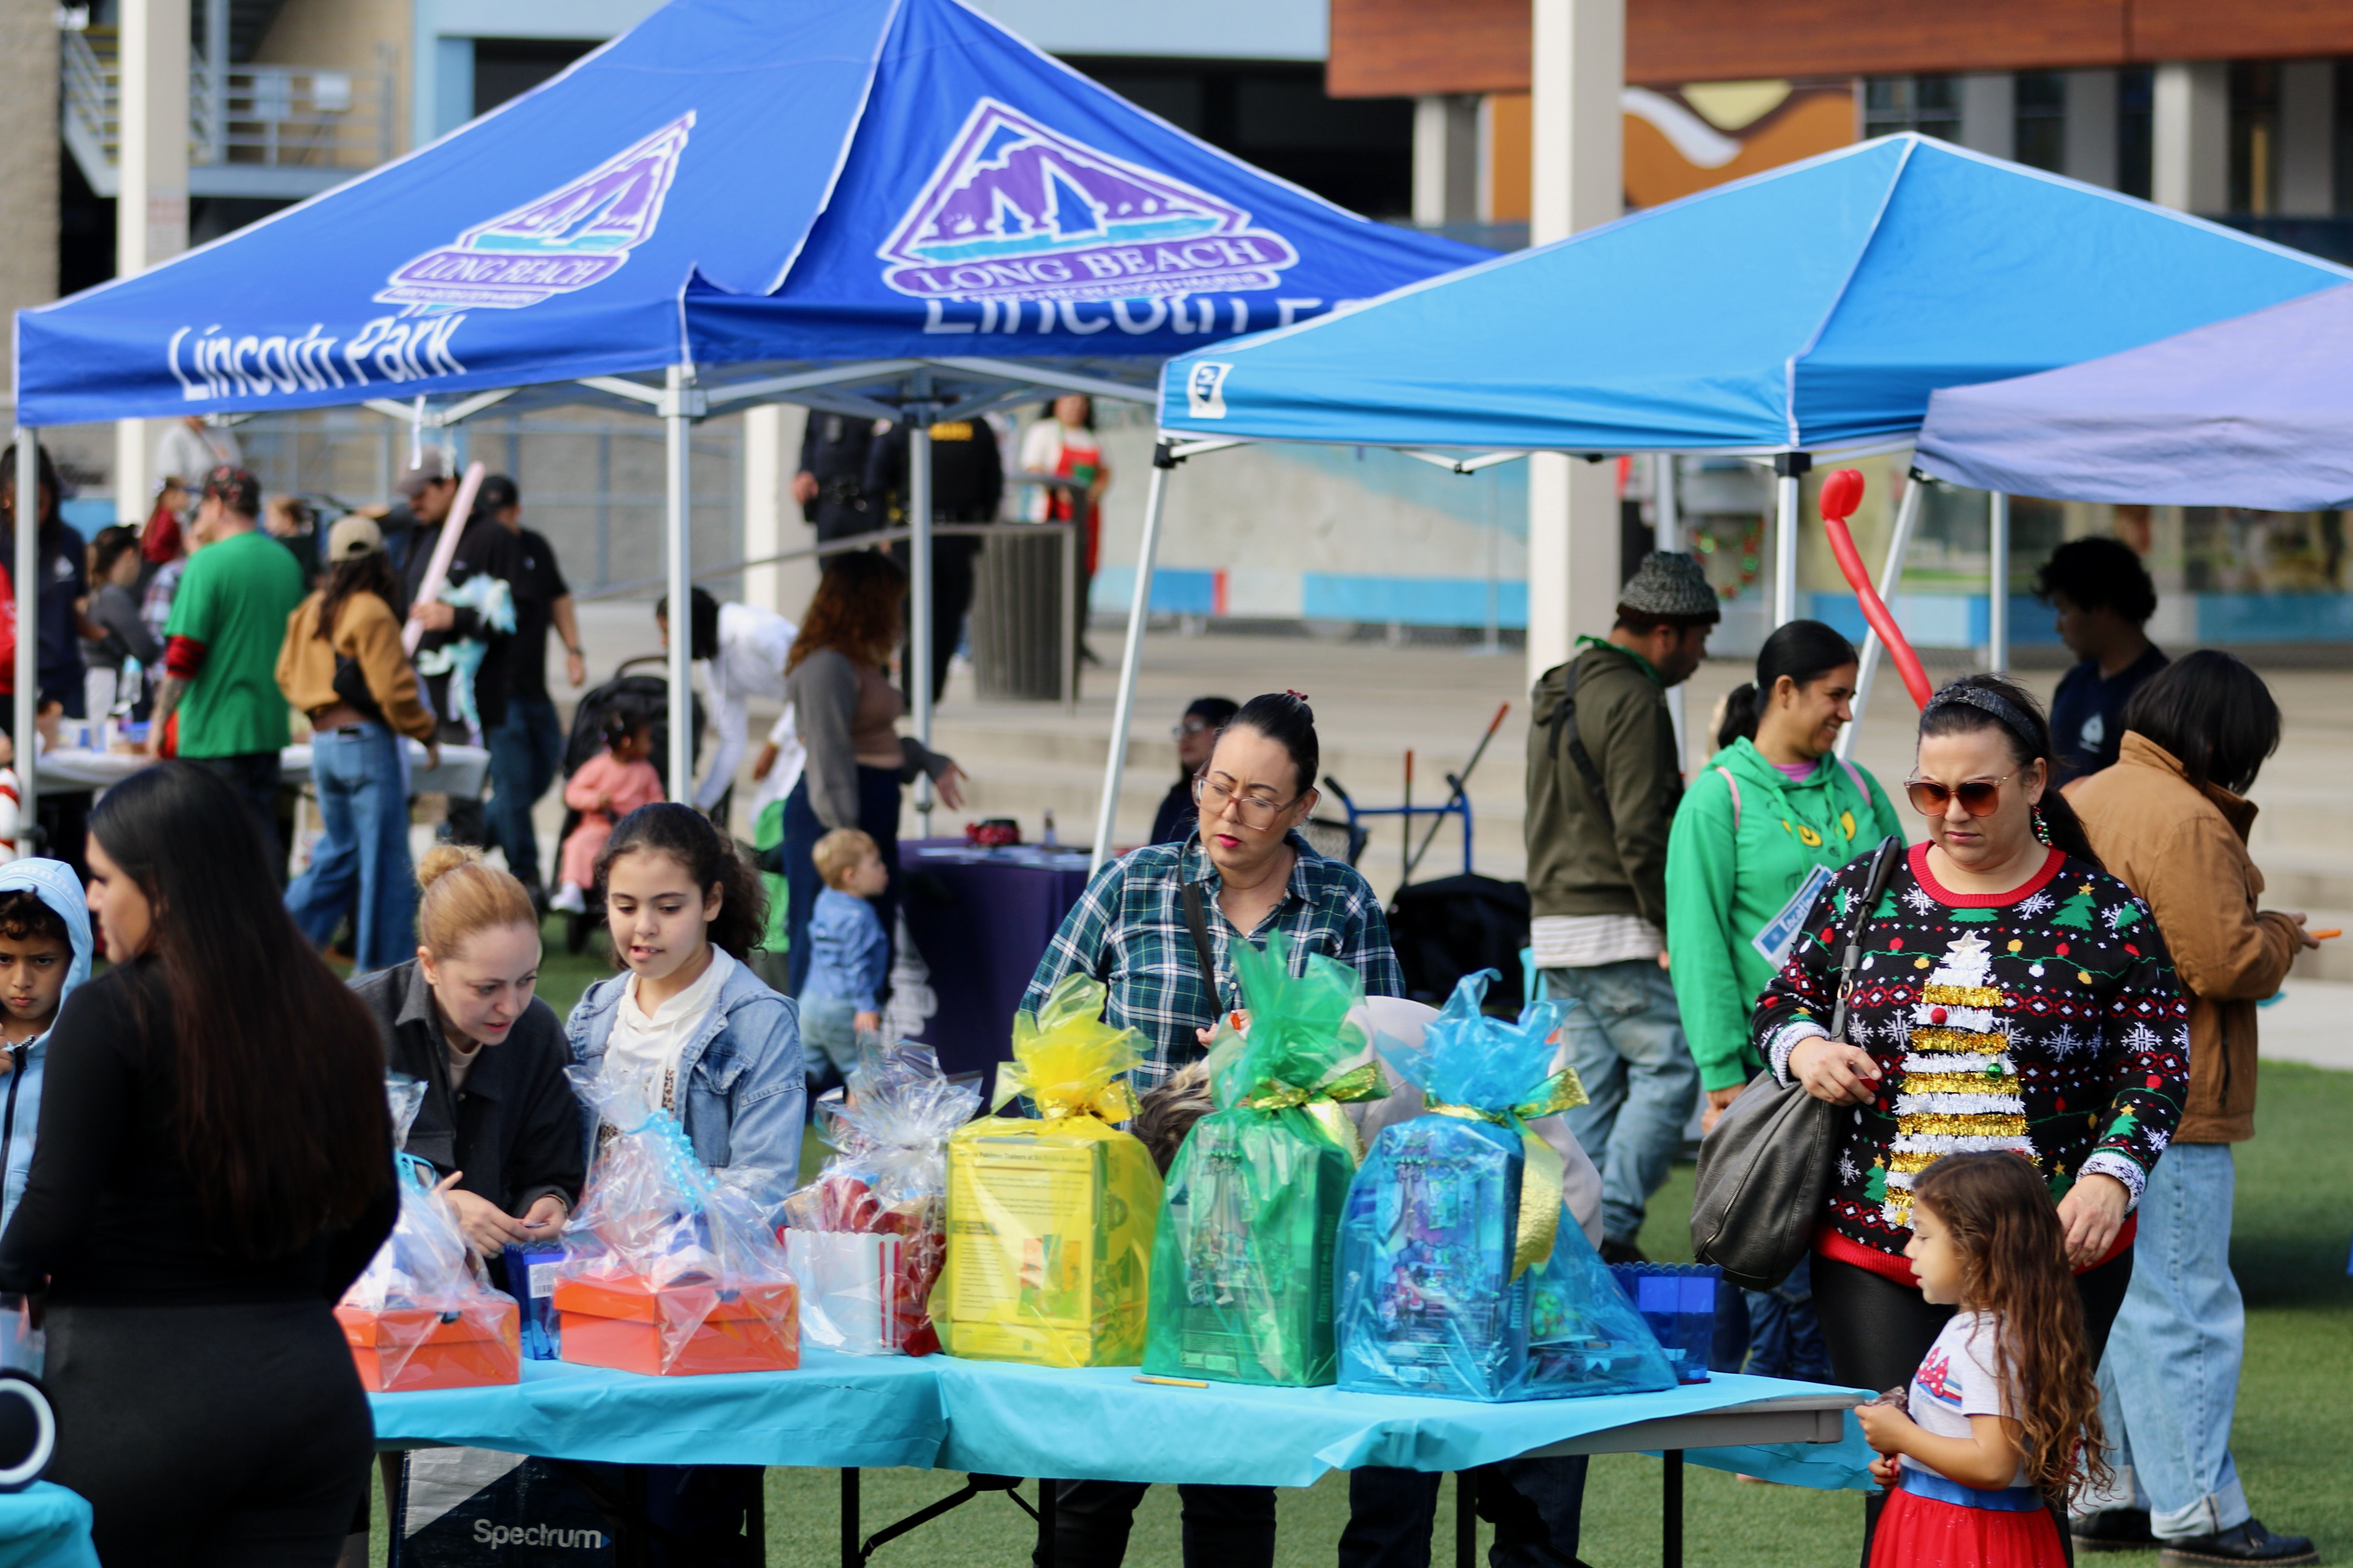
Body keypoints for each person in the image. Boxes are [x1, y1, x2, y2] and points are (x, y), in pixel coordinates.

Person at [1751, 673, 2188, 1564]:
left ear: (2034, 782)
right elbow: (1777, 1002)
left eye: (1975, 790)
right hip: (1878, 1243)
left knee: (2028, 1476)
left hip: (2055, 1247)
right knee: (1902, 1467)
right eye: (1927, 791)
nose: (1948, 812)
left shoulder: (2106, 912)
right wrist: (1804, 1051)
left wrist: (2110, 1176)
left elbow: (2156, 1066)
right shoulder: (1859, 889)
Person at [0, 762, 396, 1564]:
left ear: (164, 886)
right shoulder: (332, 1009)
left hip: (136, 1400)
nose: (98, 900)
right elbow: (375, 1206)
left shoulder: (114, 1015)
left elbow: (48, 1222)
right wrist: (281, 1310)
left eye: (106, 879)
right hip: (307, 1397)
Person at [2064, 653, 2319, 1567]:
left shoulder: (2087, 792)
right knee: (2183, 1305)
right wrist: (2282, 935)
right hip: (2174, 1094)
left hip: (2089, 1092)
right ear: (2218, 739)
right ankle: (2201, 1513)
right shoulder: (2185, 819)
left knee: (2115, 1305)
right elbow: (2223, 963)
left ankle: (2109, 1490)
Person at [566, 803, 802, 1567]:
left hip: (708, 1316)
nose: (643, 928)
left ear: (712, 901)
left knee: (683, 1531)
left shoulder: (758, 1018)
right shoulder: (595, 1011)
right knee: (589, 1527)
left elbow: (762, 1185)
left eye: (668, 908)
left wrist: (666, 1225)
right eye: (625, 906)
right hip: (592, 1310)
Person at [1667, 619, 1901, 1379]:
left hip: (1871, 1073)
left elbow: (1908, 902)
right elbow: (1698, 948)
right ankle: (1770, 1418)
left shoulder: (1862, 790)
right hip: (1769, 1076)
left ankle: (1817, 1402)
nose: (1845, 711)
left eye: (1851, 696)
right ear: (1784, 692)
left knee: (1854, 1244)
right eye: (1834, 695)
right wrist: (1722, 1078)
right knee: (1771, 1242)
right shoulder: (1718, 800)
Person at [1525, 549, 1717, 1262]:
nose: (1700, 658)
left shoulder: (1557, 684)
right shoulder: (1635, 697)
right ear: (1666, 632)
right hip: (1615, 923)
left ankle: (1565, 1238)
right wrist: (1672, 925)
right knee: (1669, 1070)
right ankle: (1614, 1227)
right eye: (1699, 639)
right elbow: (1640, 829)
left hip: (1553, 923)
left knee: (1590, 1093)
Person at [1854, 1154, 2111, 1568]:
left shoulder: (1989, 1343)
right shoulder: (1978, 1327)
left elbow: (1993, 1465)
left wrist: (1904, 1437)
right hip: (1945, 1523)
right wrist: (1914, 1465)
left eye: (1922, 1235)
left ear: (1977, 1247)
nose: (1908, 1248)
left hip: (1969, 1538)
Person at [354, 845, 582, 1261]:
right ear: (430, 965)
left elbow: (554, 1168)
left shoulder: (540, 1035)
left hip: (501, 1304)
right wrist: (435, 1210)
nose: (511, 1007)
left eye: (527, 980)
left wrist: (550, 1201)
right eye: (486, 988)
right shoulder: (354, 1025)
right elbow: (310, 1180)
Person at [780, 551, 966, 996]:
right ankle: (814, 1065)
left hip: (867, 804)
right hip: (837, 815)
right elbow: (830, 757)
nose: (898, 614)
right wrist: (848, 841)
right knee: (830, 951)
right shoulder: (827, 665)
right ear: (867, 602)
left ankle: (853, 1061)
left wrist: (925, 759)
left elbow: (875, 745)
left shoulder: (858, 661)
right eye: (892, 600)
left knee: (868, 946)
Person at [279, 517, 442, 973]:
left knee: (339, 853)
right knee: (385, 864)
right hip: (366, 742)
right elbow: (395, 689)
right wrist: (425, 731)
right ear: (378, 561)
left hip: (325, 743)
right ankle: (382, 974)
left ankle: (275, 943)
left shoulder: (310, 609)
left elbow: (285, 674)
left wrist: (318, 704)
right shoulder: (371, 610)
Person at [158, 464, 309, 862]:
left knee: (214, 862)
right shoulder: (286, 563)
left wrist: (158, 723)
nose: (199, 516)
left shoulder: (207, 563)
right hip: (269, 730)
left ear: (220, 504)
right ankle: (272, 925)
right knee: (261, 850)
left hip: (213, 735)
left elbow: (183, 656)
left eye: (203, 505)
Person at [480, 475, 585, 900]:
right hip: (496, 692)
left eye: (503, 515)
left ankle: (458, 837)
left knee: (539, 776)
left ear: (516, 510)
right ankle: (528, 878)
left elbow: (559, 598)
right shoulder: (480, 550)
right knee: (514, 785)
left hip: (534, 687)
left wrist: (574, 649)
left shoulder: (535, 548)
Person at [867, 414, 1001, 705]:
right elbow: (877, 477)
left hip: (958, 532)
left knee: (949, 614)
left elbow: (992, 482)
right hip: (912, 532)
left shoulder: (977, 426)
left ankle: (930, 693)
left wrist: (980, 528)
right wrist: (883, 529)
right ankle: (911, 693)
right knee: (911, 613)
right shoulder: (906, 422)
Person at [654, 586, 798, 828]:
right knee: (763, 817)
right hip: (801, 719)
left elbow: (812, 689)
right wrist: (700, 806)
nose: (664, 642)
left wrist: (775, 743)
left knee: (783, 815)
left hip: (832, 708)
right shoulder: (717, 663)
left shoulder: (754, 631)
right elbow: (732, 740)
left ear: (689, 626)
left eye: (668, 633)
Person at [0, 860, 92, 1231]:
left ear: (75, 960)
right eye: (4, 959)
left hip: (44, 1271)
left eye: (42, 961)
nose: (22, 980)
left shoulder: (92, 1055)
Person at [2036, 537, 2167, 784]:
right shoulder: (2074, 682)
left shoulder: (2162, 695)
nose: (2058, 626)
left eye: (2064, 610)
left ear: (2100, 608)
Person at [0, 441, 92, 722]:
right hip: (9, 684)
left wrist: (108, 635)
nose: (30, 512)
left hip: (63, 680)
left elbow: (75, 607)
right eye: (17, 502)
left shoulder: (69, 541)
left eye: (39, 503)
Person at [1019, 395, 1112, 667]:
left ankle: (1077, 640)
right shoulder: (1044, 431)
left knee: (1081, 579)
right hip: (1052, 517)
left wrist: (1092, 494)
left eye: (1082, 403)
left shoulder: (1093, 436)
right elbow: (1034, 469)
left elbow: (1105, 472)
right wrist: (1061, 491)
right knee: (1049, 580)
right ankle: (1046, 641)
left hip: (1086, 519)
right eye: (1071, 402)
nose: (1077, 408)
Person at [800, 827, 891, 1085]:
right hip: (844, 1007)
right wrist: (866, 1006)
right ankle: (855, 1126)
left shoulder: (825, 899)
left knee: (800, 1071)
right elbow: (857, 965)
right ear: (851, 876)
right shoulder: (861, 918)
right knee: (865, 1074)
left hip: (811, 1003)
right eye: (876, 864)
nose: (884, 869)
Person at [552, 712, 666, 915]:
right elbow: (572, 792)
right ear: (628, 743)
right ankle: (572, 891)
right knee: (578, 844)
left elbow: (657, 799)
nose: (651, 746)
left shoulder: (646, 772)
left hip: (633, 833)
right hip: (599, 827)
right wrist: (595, 800)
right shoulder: (599, 766)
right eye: (646, 740)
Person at [82, 525, 161, 722]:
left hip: (95, 687)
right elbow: (146, 649)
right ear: (129, 554)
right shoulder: (111, 596)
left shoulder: (95, 592)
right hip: (106, 690)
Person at [1151, 696, 1240, 845]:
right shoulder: (1176, 799)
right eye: (1182, 730)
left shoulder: (1237, 800)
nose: (1185, 738)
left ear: (1224, 733)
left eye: (1194, 728)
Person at [794, 413, 878, 543]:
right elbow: (810, 441)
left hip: (862, 504)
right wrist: (804, 472)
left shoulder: (871, 396)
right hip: (827, 504)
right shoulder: (820, 398)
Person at [153, 413, 240, 491]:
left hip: (219, 495)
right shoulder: (174, 437)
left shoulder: (220, 434)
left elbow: (235, 465)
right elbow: (172, 477)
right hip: (192, 499)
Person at [263, 494, 319, 590]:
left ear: (287, 519)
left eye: (271, 517)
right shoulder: (310, 544)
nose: (266, 524)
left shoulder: (277, 546)